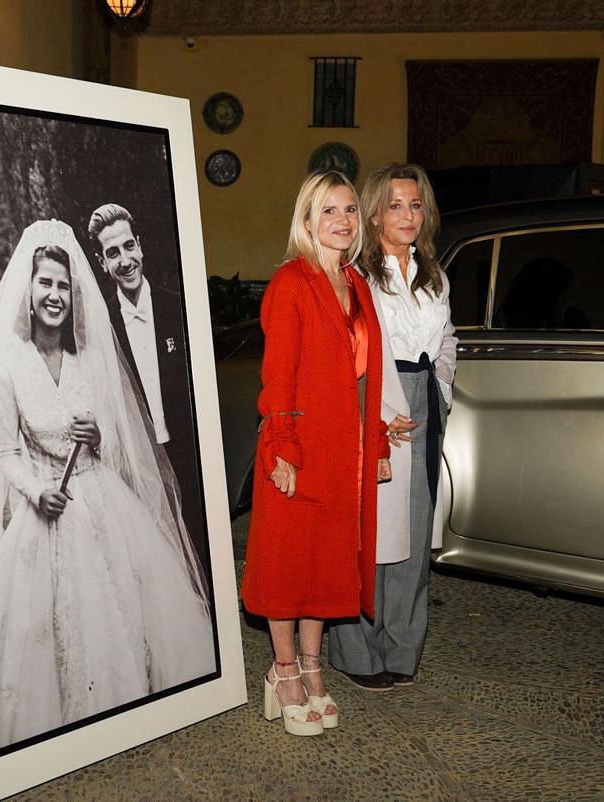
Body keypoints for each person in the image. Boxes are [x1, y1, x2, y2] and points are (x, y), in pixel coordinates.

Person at [0, 219, 214, 754]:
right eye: (45, 284)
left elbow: (116, 440)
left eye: (63, 286)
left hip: (103, 500)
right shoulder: (7, 363)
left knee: (128, 618)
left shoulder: (88, 356)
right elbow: (4, 452)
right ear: (27, 292)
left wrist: (97, 436)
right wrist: (36, 492)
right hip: (48, 507)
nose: (55, 296)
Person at [240, 171, 392, 736]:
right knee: (286, 565)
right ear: (307, 220)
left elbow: (366, 378)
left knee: (324, 564)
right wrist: (281, 445)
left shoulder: (356, 283)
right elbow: (276, 375)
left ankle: (311, 664)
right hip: (299, 448)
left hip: (342, 449)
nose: (343, 221)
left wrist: (373, 442)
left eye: (350, 210)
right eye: (329, 211)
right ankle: (283, 672)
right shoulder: (290, 282)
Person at [329, 163, 457, 692]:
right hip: (375, 402)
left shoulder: (434, 273)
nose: (408, 214)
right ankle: (357, 653)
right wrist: (379, 410)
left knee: (414, 534)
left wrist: (440, 391)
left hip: (424, 401)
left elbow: (448, 337)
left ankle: (402, 649)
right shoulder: (357, 276)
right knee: (369, 535)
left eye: (417, 204)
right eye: (396, 204)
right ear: (376, 212)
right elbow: (352, 351)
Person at [86, 203, 208, 581]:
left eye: (127, 247)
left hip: (191, 458)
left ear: (139, 246)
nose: (124, 261)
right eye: (112, 253)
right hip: (141, 467)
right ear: (102, 263)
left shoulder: (180, 306)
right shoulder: (101, 326)